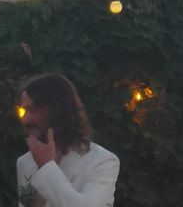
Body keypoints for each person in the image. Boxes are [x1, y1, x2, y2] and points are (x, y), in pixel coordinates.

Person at [17, 73, 120, 207]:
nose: (25, 120)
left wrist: (46, 166)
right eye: (24, 110)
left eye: (33, 110)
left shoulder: (101, 161)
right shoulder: (25, 162)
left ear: (57, 111)